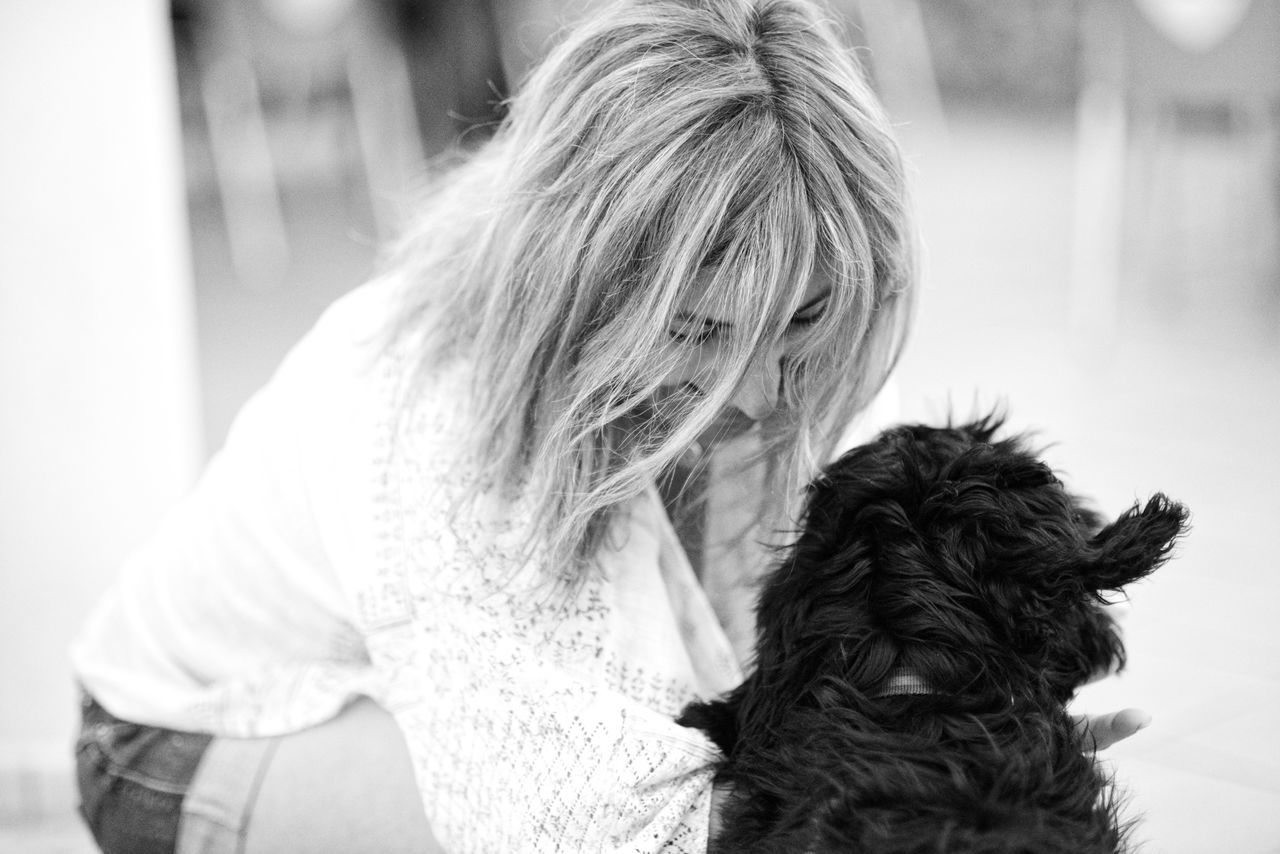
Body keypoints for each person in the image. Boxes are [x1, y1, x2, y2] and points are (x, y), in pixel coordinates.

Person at [71, 1, 1148, 852]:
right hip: (186, 738)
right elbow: (588, 824)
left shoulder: (791, 281)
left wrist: (957, 731)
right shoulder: (431, 426)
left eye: (803, 322)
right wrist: (914, 794)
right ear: (584, 290)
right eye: (697, 332)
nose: (771, 392)